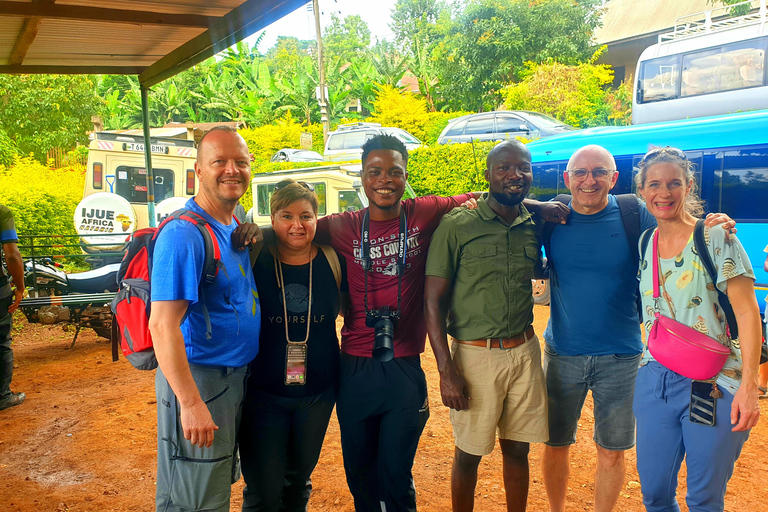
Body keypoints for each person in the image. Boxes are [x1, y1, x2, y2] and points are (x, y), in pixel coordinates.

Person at [234, 134, 566, 512]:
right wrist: (253, 232)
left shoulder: (424, 211)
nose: (385, 180)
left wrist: (537, 204)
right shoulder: (342, 225)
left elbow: (487, 193)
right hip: (355, 366)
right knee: (360, 477)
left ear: (406, 176)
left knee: (397, 479)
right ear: (362, 176)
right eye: (375, 171)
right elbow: (295, 225)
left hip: (406, 363)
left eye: (394, 172)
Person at [539, 145, 736, 512]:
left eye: (599, 172)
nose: (589, 180)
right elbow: (505, 209)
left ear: (614, 179)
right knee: (555, 444)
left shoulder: (635, 215)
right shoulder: (550, 217)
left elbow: (676, 219)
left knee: (612, 451)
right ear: (567, 179)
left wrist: (714, 223)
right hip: (562, 352)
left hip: (624, 356)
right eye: (580, 173)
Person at [424, 140, 548, 512]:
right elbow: (432, 301)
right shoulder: (458, 225)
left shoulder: (532, 224)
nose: (515, 175)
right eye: (504, 168)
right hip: (477, 356)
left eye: (523, 168)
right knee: (468, 454)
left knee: (518, 449)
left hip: (525, 351)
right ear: (487, 175)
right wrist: (446, 371)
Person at [634, 146, 761, 511]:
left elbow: (749, 313)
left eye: (675, 183)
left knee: (704, 498)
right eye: (654, 184)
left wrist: (750, 386)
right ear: (641, 190)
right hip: (655, 375)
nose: (664, 192)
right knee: (655, 493)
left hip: (715, 382)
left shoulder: (717, 236)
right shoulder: (646, 242)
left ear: (689, 186)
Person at [149, 125, 261, 512]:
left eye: (241, 162)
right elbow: (162, 325)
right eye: (219, 162)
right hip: (202, 379)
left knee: (204, 484)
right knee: (198, 497)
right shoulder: (184, 234)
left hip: (230, 378)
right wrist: (191, 402)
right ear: (198, 170)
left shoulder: (233, 221)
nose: (232, 170)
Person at [239, 179, 347, 511]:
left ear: (318, 218)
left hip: (316, 394)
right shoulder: (253, 255)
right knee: (262, 488)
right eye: (286, 216)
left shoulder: (333, 260)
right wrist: (251, 230)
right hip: (263, 394)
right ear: (272, 220)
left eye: (306, 216)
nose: (296, 225)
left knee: (298, 481)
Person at [0, 203, 25, 412]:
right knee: (1, 342)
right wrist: (20, 286)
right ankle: (3, 396)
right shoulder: (1, 211)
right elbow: (11, 255)